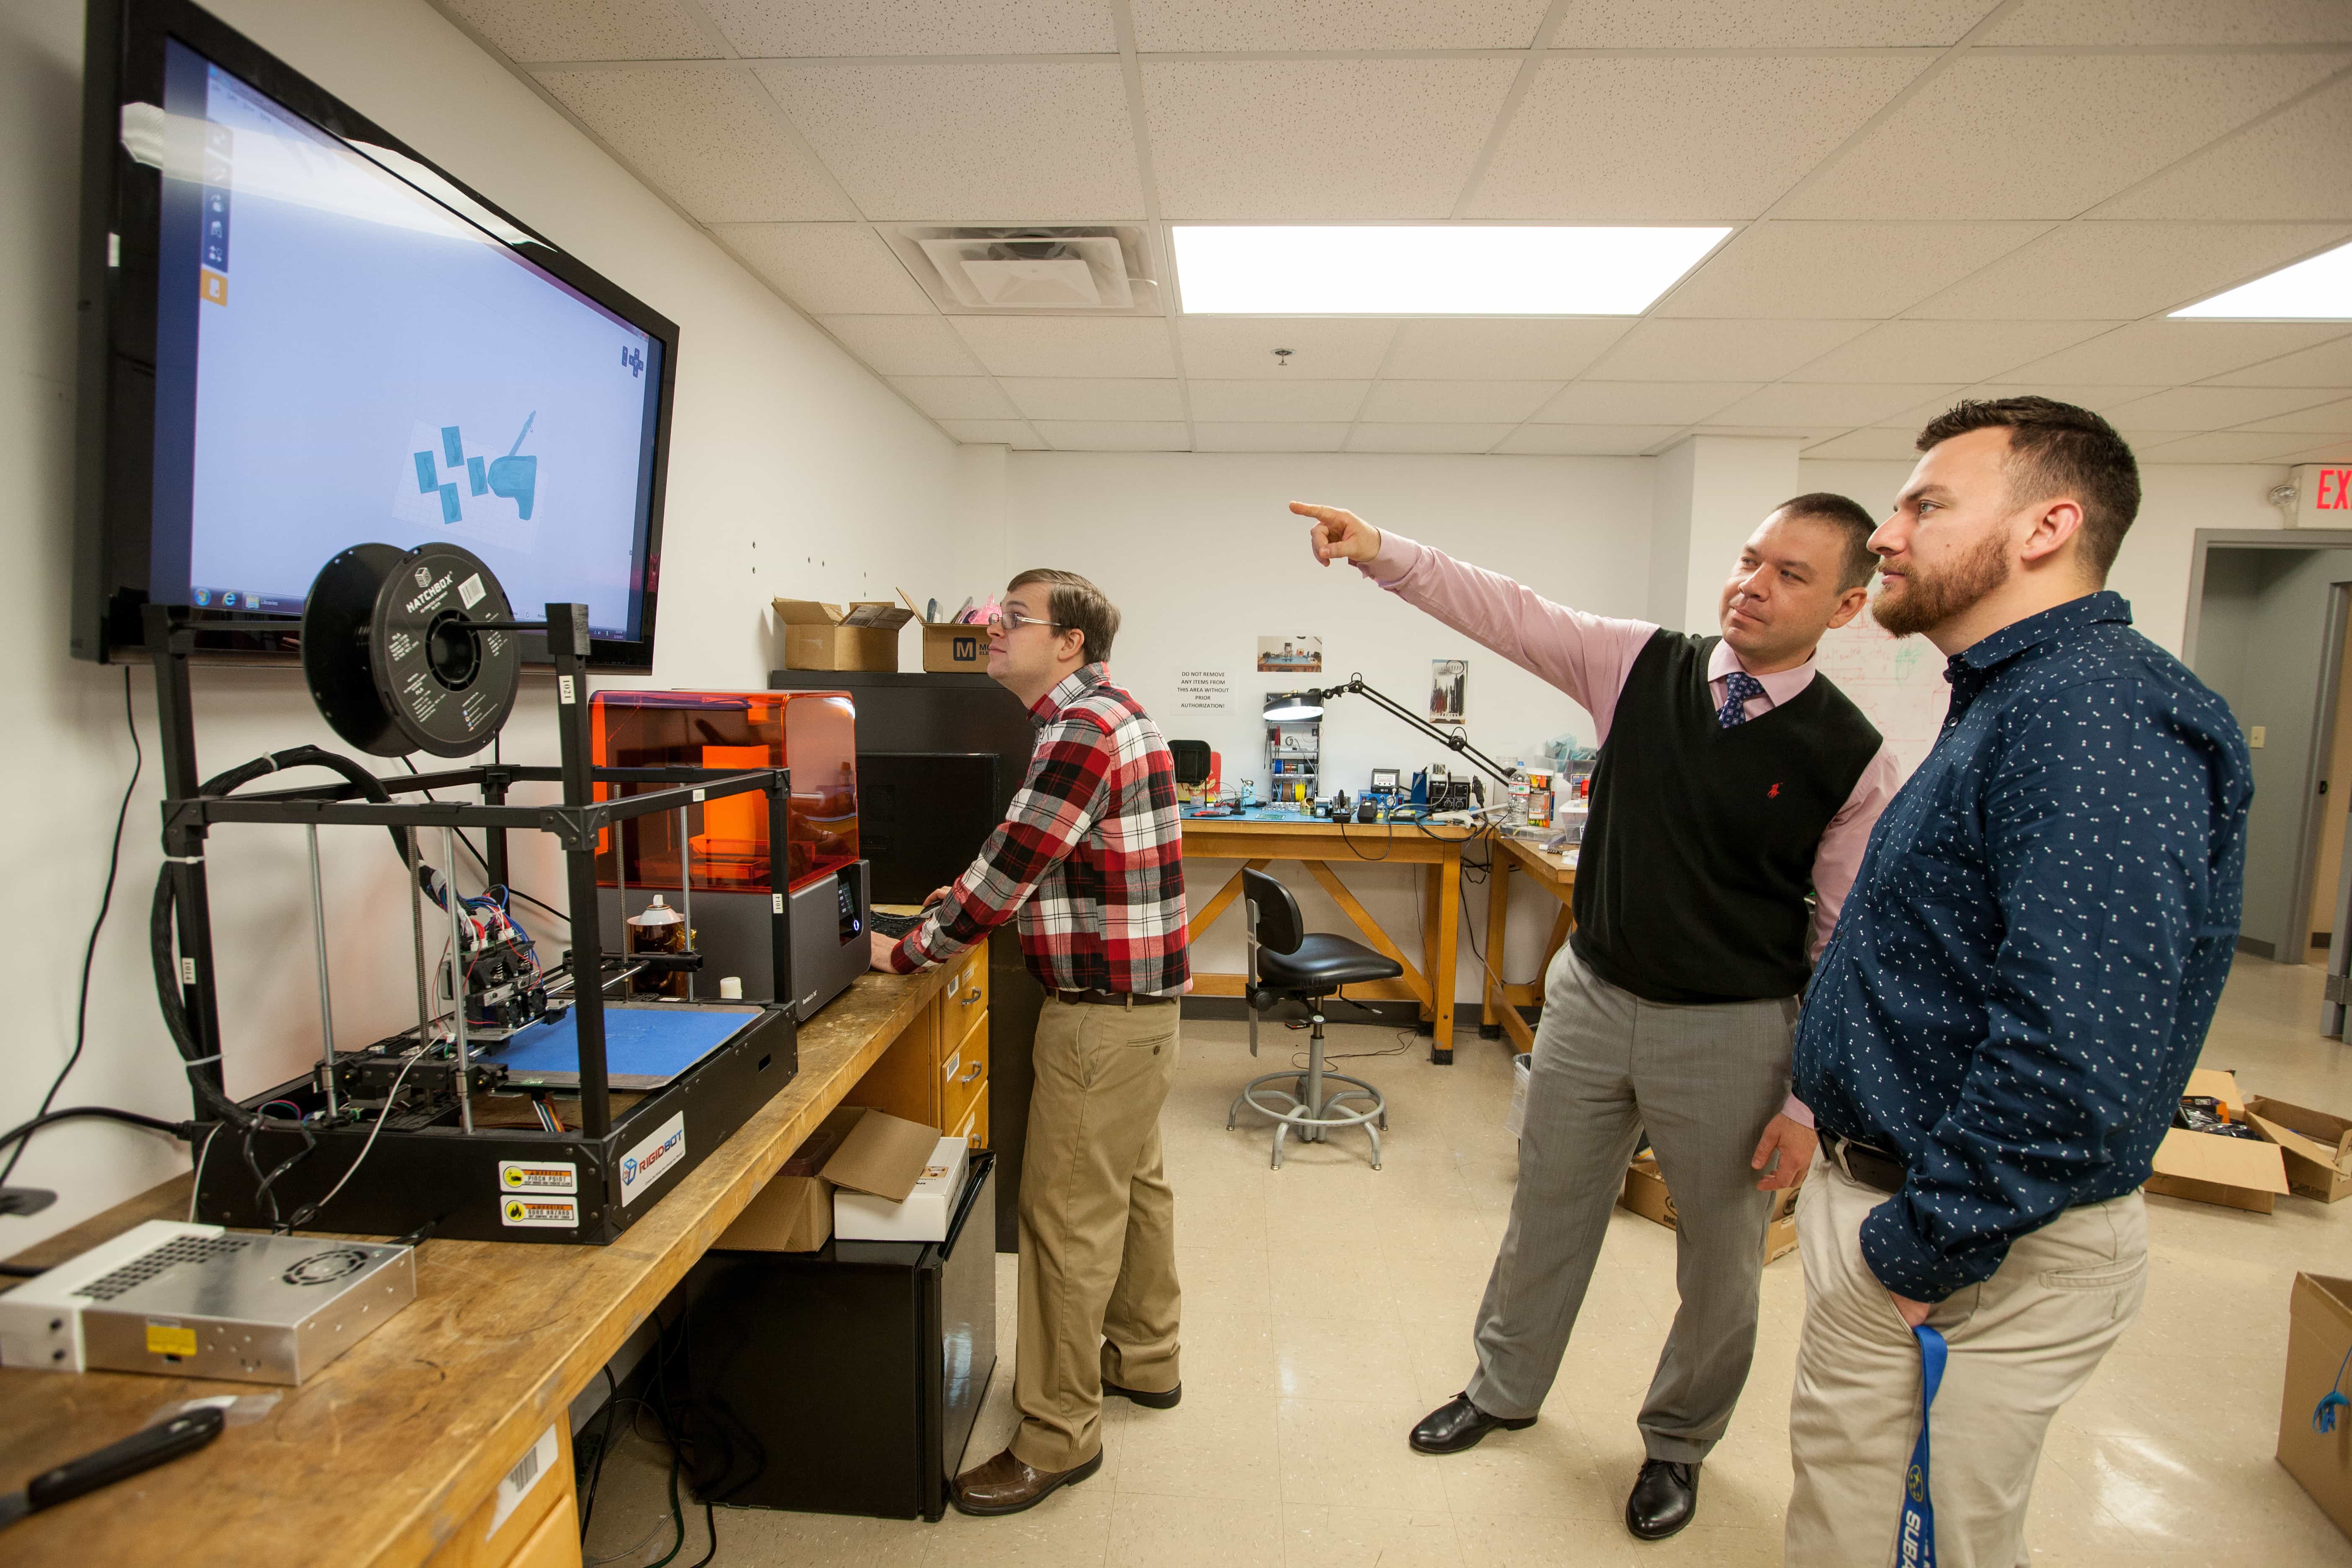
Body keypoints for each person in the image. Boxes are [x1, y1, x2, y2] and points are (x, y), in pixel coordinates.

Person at [1295, 493, 1900, 1541]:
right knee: (1549, 1208)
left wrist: (1809, 1104)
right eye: (1750, 559)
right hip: (1592, 994)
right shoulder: (1641, 664)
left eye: (1791, 574)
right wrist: (1381, 551)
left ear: (1847, 606)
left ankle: (1679, 1443)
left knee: (1720, 1260)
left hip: (1734, 1028)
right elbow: (1505, 610)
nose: (1753, 585)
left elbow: (1845, 944)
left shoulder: (1854, 756)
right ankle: (1504, 1389)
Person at [1785, 398, 2251, 1565]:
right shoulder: (2016, 695)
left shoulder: (2095, 712)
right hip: (1926, 1211)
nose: (1886, 534)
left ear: (2049, 526)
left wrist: (1923, 1249)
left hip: (1973, 1244)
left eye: (1926, 505)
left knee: (1896, 1544)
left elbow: (2079, 1044)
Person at [868, 568, 1190, 1517]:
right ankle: (1145, 1360)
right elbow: (1048, 854)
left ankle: (1057, 1437)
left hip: (1101, 1017)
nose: (992, 632)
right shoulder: (1103, 716)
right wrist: (963, 894)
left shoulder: (1081, 729)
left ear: (1070, 642)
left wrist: (909, 949)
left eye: (1014, 620)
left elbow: (1014, 862)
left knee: (1064, 1218)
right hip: (1141, 1012)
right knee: (1133, 1188)